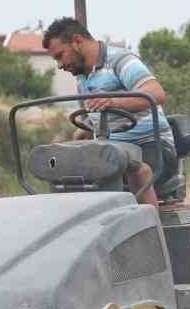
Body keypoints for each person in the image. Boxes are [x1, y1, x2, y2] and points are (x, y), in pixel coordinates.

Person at [42, 16, 172, 206]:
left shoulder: (121, 60)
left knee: (136, 169)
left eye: (60, 56)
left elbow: (156, 93)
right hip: (109, 149)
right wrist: (71, 141)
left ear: (77, 42)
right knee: (58, 164)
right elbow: (97, 116)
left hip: (149, 144)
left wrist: (114, 102)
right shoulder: (82, 75)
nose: (60, 65)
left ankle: (152, 229)